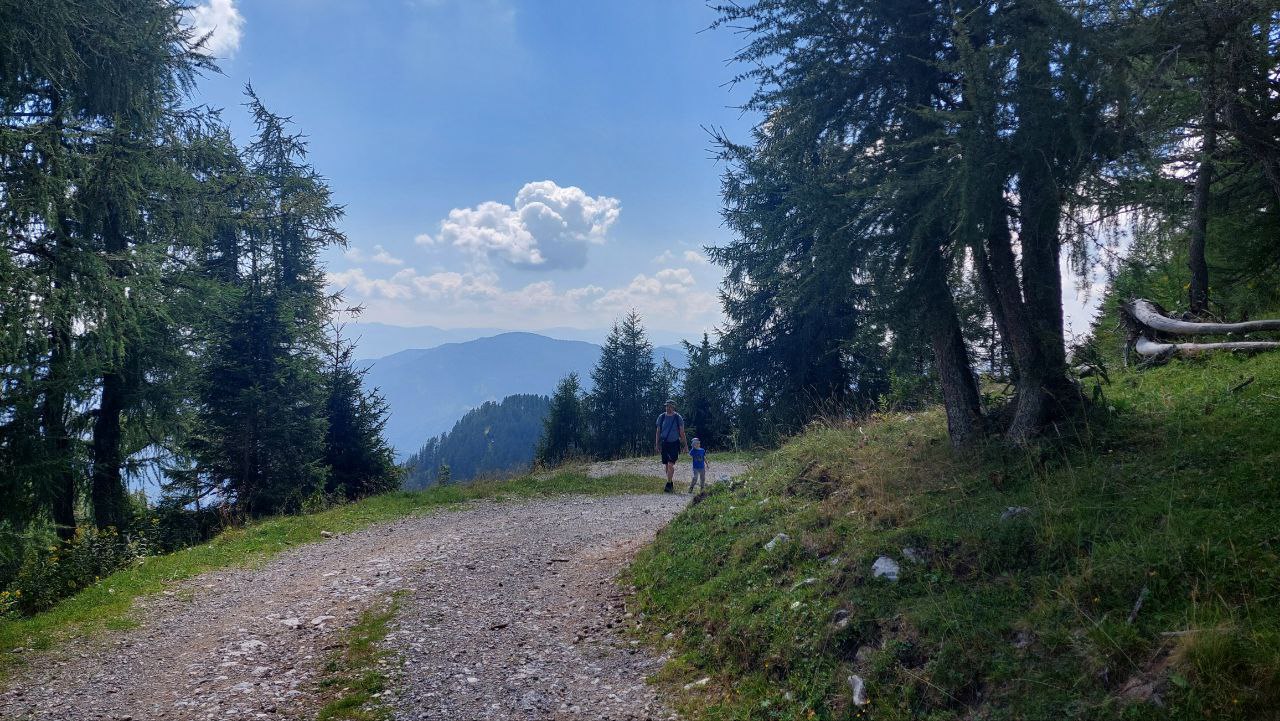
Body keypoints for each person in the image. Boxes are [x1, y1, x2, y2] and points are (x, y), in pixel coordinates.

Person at [654, 399, 686, 493]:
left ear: (673, 407)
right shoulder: (661, 417)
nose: (668, 408)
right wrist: (657, 444)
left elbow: (682, 432)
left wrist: (685, 445)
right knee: (666, 465)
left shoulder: (678, 417)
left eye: (670, 406)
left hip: (674, 443)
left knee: (670, 464)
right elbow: (658, 431)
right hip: (664, 443)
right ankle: (670, 482)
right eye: (667, 406)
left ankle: (668, 484)